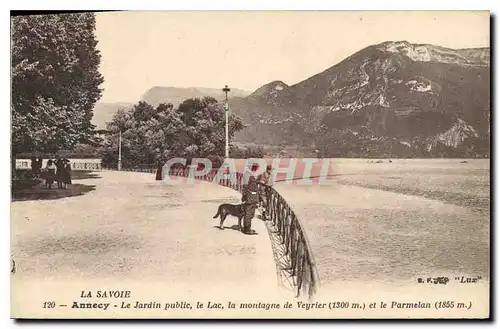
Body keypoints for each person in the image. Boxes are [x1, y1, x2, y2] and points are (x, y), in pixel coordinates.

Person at [241, 168, 260, 235]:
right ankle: (247, 229)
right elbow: (245, 187)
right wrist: (244, 196)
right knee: (248, 213)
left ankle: (248, 228)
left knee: (252, 214)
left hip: (254, 197)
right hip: (249, 197)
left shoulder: (255, 175)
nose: (257, 169)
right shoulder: (247, 174)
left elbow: (256, 184)